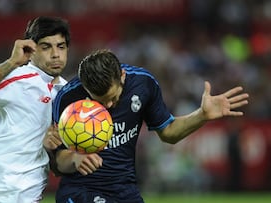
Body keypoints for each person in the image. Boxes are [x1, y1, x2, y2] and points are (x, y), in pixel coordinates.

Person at [52, 49, 249, 203]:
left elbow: (169, 133)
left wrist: (202, 115)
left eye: (112, 98)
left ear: (122, 76)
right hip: (81, 190)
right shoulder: (68, 99)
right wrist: (75, 159)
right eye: (100, 101)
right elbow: (56, 162)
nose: (109, 106)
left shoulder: (143, 84)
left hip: (125, 190)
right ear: (85, 88)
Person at [0, 16, 70, 203]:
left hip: (28, 196)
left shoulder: (67, 94)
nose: (55, 54)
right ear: (31, 50)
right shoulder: (17, 77)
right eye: (46, 47)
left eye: (61, 46)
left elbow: (58, 166)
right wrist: (12, 62)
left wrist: (51, 149)